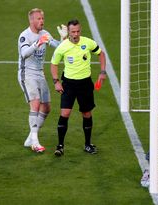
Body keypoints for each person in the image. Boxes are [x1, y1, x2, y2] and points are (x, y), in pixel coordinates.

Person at [50, 19, 106, 156]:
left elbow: (101, 54)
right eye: (73, 32)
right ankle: (60, 146)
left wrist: (103, 72)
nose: (75, 34)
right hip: (68, 84)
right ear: (68, 32)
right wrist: (56, 81)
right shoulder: (63, 46)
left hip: (85, 84)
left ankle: (88, 144)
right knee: (65, 114)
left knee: (86, 113)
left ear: (80, 30)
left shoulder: (88, 42)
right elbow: (53, 64)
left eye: (78, 31)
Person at [18, 8, 68, 153]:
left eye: (42, 18)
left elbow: (59, 47)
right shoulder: (25, 36)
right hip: (27, 73)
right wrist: (37, 43)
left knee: (46, 107)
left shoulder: (45, 34)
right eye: (39, 19)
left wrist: (64, 39)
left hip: (40, 74)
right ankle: (35, 141)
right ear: (31, 20)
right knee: (35, 102)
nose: (42, 21)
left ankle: (30, 138)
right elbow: (24, 53)